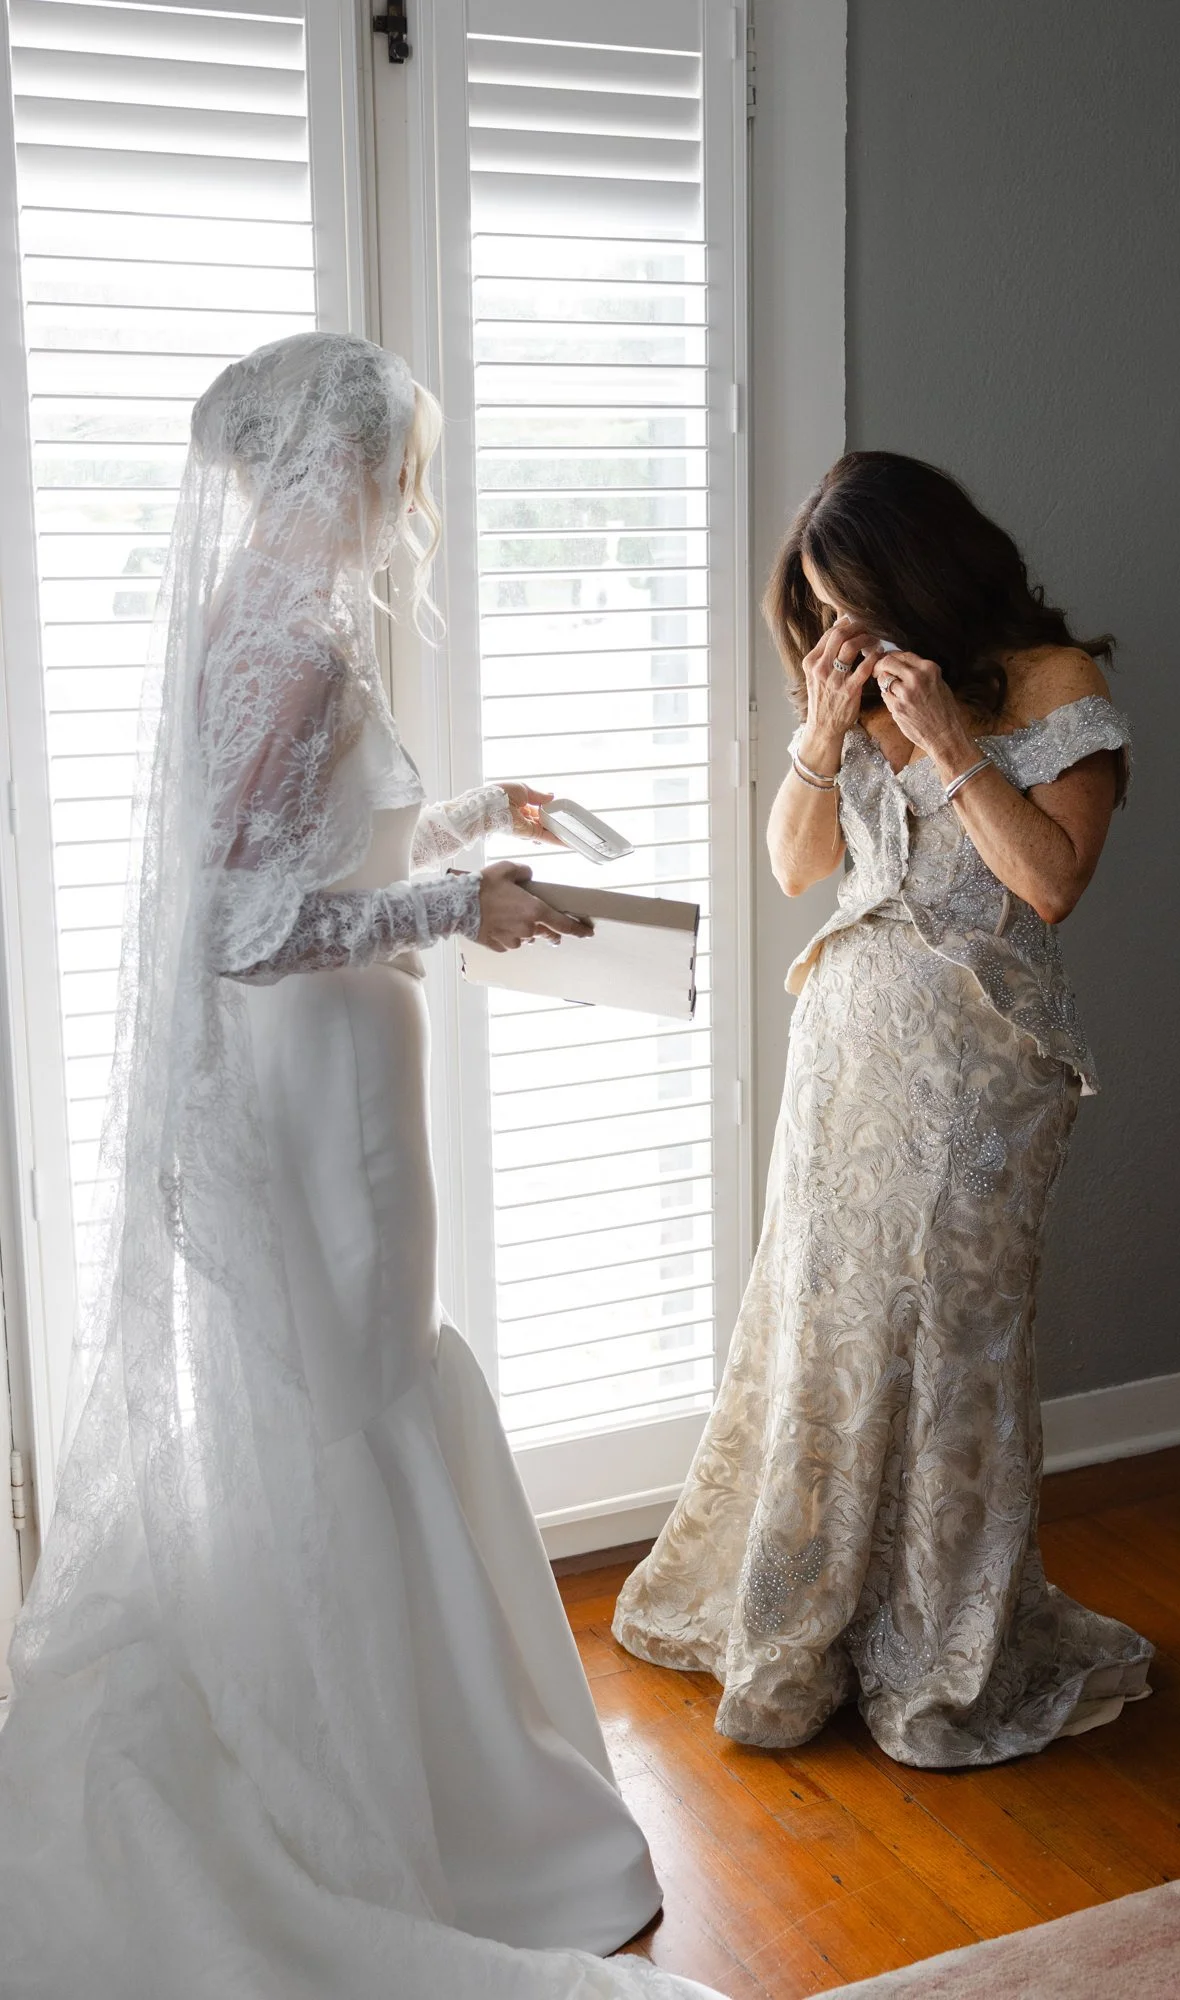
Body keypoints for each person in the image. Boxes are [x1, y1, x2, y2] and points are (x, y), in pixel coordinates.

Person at [0, 332, 720, 2000]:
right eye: (398, 466)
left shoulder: (242, 617)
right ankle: (429, 1818)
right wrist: (453, 906)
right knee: (359, 1394)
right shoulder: (300, 647)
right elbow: (250, 925)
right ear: (340, 468)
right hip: (319, 1074)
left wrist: (464, 818)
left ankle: (381, 1758)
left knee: (341, 1391)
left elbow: (289, 853)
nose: (409, 499)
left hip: (310, 1076)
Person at [614, 451, 1153, 1768]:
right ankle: (809, 1622)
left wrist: (957, 752)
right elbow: (802, 871)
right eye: (817, 609)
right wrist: (815, 733)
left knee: (950, 1346)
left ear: (922, 573)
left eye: (852, 601)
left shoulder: (1058, 690)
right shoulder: (850, 697)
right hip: (847, 1047)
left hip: (983, 1072)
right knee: (826, 1330)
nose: (842, 632)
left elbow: (1048, 888)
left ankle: (944, 1644)